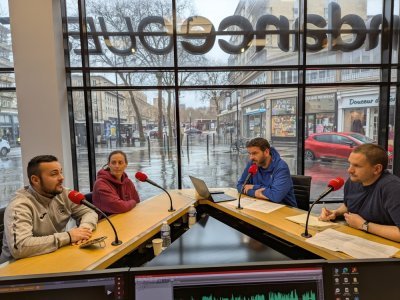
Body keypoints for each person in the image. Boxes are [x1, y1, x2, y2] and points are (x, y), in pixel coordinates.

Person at [0, 155, 98, 263]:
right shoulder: (19, 205)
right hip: (16, 270)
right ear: (35, 180)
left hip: (51, 256)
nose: (61, 177)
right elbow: (20, 247)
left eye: (61, 172)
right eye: (54, 174)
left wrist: (84, 229)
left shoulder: (64, 194)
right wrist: (68, 236)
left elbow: (89, 212)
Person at [319, 144, 400, 242]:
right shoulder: (354, 181)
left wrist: (364, 225)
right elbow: (349, 205)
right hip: (359, 240)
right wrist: (336, 212)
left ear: (377, 169)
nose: (349, 170)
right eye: (350, 164)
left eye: (357, 166)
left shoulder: (392, 188)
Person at [236, 137, 296, 207]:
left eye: (255, 153)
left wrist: (253, 187)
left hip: (285, 210)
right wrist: (255, 193)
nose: (251, 157)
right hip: (261, 205)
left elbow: (275, 196)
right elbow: (240, 185)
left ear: (266, 152)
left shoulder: (281, 167)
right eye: (250, 154)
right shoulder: (253, 163)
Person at [92, 150, 140, 215]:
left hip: (126, 217)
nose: (117, 166)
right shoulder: (100, 184)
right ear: (109, 164)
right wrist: (132, 202)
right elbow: (120, 207)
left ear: (125, 165)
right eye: (113, 163)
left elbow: (138, 202)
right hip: (106, 221)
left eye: (120, 162)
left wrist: (132, 203)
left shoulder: (128, 182)